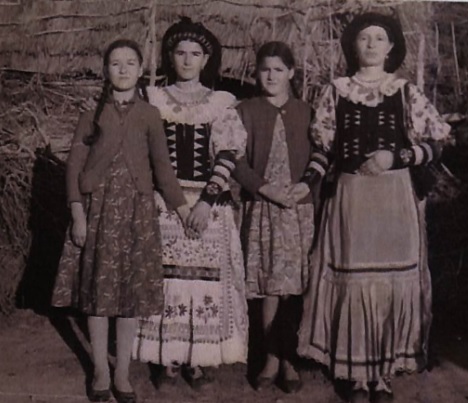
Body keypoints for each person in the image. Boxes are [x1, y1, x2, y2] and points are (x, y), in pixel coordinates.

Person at [297, 13, 451, 403]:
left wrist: (396, 156)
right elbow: (323, 148)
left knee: (389, 284)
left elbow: (437, 143)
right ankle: (355, 374)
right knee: (354, 281)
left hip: (394, 199)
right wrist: (307, 182)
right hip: (351, 199)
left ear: (391, 47)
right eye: (364, 38)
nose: (370, 45)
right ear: (353, 45)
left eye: (379, 38)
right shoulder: (336, 91)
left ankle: (382, 375)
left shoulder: (405, 91)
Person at [52, 39, 189, 403]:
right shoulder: (91, 116)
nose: (123, 69)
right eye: (116, 63)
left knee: (129, 296)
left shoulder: (150, 115)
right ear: (106, 70)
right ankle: (100, 369)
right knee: (98, 295)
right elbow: (74, 168)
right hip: (98, 213)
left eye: (130, 63)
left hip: (136, 215)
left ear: (141, 69)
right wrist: (77, 214)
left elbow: (163, 168)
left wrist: (183, 209)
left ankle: (123, 373)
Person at [132, 18, 249, 390]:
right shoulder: (152, 98)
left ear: (205, 59)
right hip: (163, 203)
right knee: (165, 279)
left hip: (208, 205)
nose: (187, 60)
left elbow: (228, 154)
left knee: (205, 283)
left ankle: (199, 359)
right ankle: (166, 357)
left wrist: (207, 202)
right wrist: (168, 200)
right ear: (170, 56)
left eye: (195, 54)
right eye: (180, 53)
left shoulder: (220, 103)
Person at [232, 41, 317, 393]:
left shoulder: (306, 112)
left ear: (291, 73)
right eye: (265, 69)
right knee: (269, 284)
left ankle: (289, 359)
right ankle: (269, 356)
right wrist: (263, 188)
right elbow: (234, 159)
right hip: (263, 206)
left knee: (293, 287)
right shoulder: (245, 111)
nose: (271, 76)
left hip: (298, 208)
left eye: (279, 70)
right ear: (257, 72)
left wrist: (305, 186)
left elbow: (322, 154)